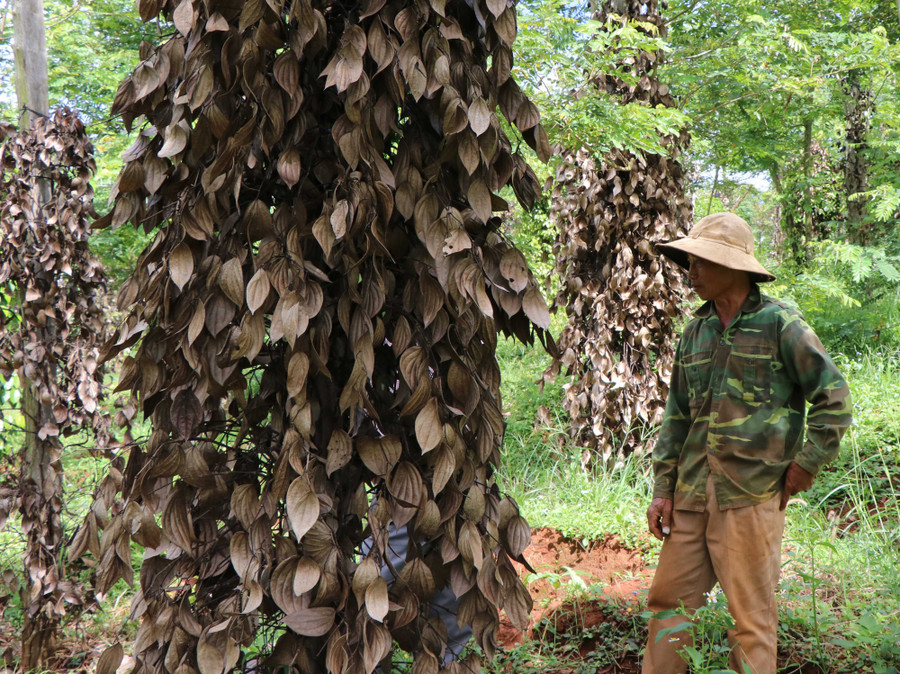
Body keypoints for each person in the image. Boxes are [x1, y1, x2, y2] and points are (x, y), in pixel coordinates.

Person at [642, 212, 852, 674]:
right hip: (692, 495)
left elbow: (833, 397)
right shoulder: (695, 332)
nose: (690, 272)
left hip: (752, 497)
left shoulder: (781, 325)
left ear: (734, 266)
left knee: (751, 621)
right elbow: (676, 418)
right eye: (689, 261)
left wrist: (806, 465)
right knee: (667, 609)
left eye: (701, 262)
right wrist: (663, 488)